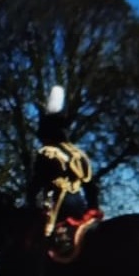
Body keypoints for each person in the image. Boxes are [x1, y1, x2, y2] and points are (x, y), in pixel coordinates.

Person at [26, 85, 102, 254]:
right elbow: (91, 187)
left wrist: (30, 203)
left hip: (59, 207)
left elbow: (37, 184)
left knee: (34, 242)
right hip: (80, 205)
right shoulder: (80, 154)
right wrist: (93, 208)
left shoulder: (47, 152)